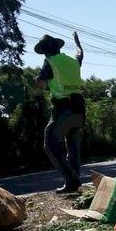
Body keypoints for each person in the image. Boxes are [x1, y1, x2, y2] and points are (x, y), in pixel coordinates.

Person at [35, 33, 85, 194]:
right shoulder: (73, 61)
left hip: (63, 108)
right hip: (79, 108)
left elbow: (40, 83)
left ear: (45, 51)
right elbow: (80, 53)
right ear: (58, 47)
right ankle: (74, 183)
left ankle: (72, 181)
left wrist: (47, 86)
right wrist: (77, 43)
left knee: (50, 143)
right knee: (73, 146)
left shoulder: (49, 62)